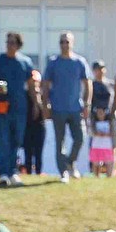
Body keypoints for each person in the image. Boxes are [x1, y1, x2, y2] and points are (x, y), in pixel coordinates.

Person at [0, 32, 34, 186]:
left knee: (17, 139)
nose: (9, 45)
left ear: (18, 45)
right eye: (8, 42)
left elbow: (31, 85)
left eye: (13, 43)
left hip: (20, 107)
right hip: (1, 106)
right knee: (2, 139)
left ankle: (13, 171)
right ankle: (3, 173)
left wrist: (37, 104)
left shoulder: (26, 62)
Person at [43, 32, 91, 183]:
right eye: (62, 42)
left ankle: (70, 162)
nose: (64, 44)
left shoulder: (79, 62)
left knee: (80, 138)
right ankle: (63, 171)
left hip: (76, 108)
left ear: (72, 43)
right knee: (60, 141)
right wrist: (46, 104)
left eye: (67, 42)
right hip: (58, 108)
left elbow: (87, 83)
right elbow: (45, 84)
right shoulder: (53, 62)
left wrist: (87, 103)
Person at [23, 69, 47, 175]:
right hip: (27, 127)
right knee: (27, 152)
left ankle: (38, 172)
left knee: (38, 152)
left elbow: (46, 113)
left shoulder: (42, 96)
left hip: (39, 127)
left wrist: (39, 100)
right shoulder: (24, 96)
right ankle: (28, 172)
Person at [89, 105, 115, 177]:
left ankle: (109, 176)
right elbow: (92, 132)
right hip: (96, 146)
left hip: (107, 146)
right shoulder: (93, 123)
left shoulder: (110, 122)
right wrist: (98, 134)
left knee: (109, 162)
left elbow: (112, 133)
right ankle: (96, 176)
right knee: (96, 163)